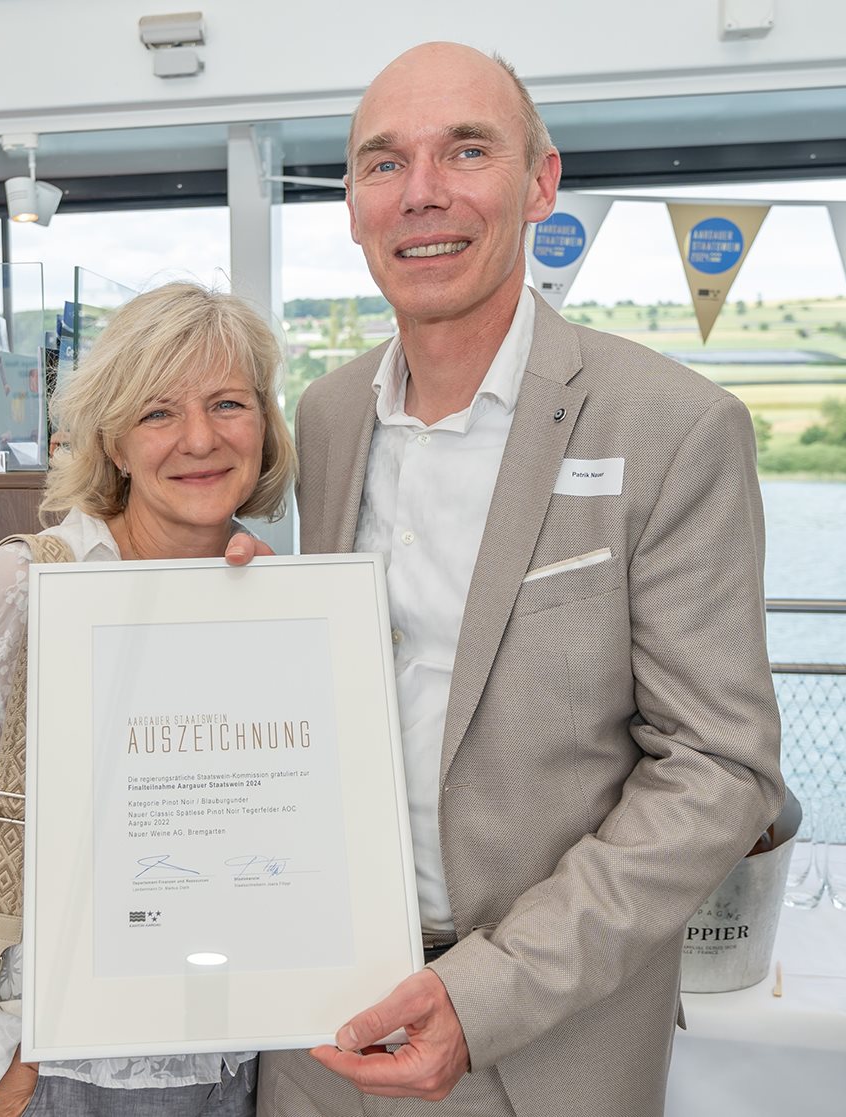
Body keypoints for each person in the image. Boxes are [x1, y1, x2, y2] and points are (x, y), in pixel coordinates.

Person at [256, 42, 784, 1117]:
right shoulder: (327, 415)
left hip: (544, 1048)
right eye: (383, 163)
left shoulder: (673, 425)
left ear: (541, 182)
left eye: (466, 150)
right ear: (352, 205)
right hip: (318, 1027)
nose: (422, 193)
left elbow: (719, 767)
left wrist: (486, 993)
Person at [0, 281, 295, 1117]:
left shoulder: (283, 595)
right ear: (114, 443)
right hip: (63, 1075)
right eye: (158, 412)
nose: (200, 438)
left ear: (264, 426)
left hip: (249, 1065)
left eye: (227, 403)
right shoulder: (19, 588)